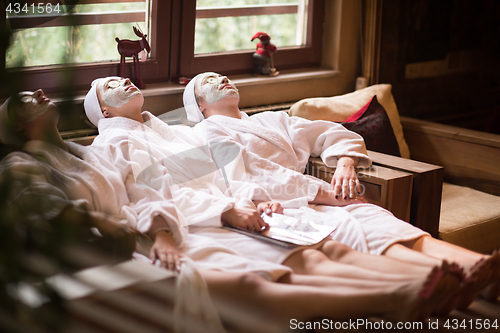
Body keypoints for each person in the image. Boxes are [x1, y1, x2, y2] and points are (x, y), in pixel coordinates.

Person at [0, 89, 462, 328]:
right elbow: (171, 186)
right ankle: (407, 297)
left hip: (214, 212)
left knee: (330, 245)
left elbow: (152, 189)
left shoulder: (105, 150)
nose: (38, 96)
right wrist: (229, 210)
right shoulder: (94, 146)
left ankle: (431, 284)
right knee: (284, 266)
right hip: (189, 223)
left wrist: (334, 168)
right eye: (111, 88)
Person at [183, 71, 500, 310]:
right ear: (199, 104)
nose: (223, 78)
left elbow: (331, 132)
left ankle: (477, 268)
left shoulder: (273, 120)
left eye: (223, 75)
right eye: (210, 81)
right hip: (278, 206)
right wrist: (322, 193)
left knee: (378, 218)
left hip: (323, 196)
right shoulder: (206, 131)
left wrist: (345, 164)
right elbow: (254, 173)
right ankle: (447, 282)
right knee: (350, 230)